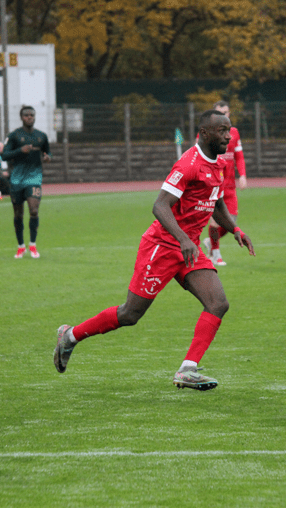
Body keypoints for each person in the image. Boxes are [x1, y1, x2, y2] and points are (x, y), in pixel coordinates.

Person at [53, 110, 255, 390]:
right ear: (204, 133)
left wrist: (235, 230)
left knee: (218, 303)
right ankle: (70, 336)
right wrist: (183, 238)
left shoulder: (219, 164)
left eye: (229, 130)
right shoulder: (188, 164)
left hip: (189, 247)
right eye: (222, 130)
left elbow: (217, 203)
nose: (228, 135)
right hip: (161, 246)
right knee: (130, 315)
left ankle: (188, 370)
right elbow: (160, 205)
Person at [1, 105, 51, 259]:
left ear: (34, 117)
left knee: (34, 210)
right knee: (18, 214)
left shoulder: (41, 136)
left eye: (31, 115)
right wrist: (19, 151)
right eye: (26, 115)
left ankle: (33, 245)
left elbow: (47, 151)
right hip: (17, 179)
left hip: (34, 178)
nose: (29, 117)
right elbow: (4, 155)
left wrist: (48, 156)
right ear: (21, 117)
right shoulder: (14, 136)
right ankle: (21, 246)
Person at [201, 100, 247, 266]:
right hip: (213, 185)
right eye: (220, 113)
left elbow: (239, 156)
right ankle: (216, 254)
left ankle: (210, 243)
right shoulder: (206, 134)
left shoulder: (234, 133)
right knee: (215, 220)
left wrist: (242, 175)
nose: (225, 116)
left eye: (226, 113)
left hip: (230, 186)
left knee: (231, 221)